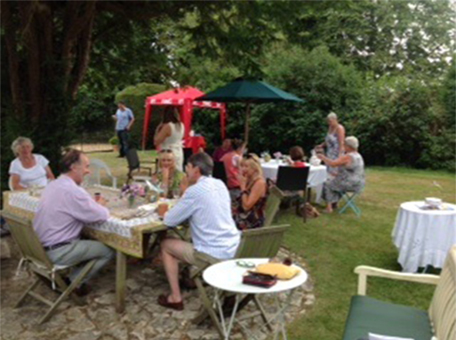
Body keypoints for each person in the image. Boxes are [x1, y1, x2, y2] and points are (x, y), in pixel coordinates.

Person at [158, 152, 240, 310]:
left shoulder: (195, 191)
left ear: (196, 169)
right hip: (234, 246)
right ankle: (190, 278)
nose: (186, 171)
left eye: (188, 167)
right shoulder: (220, 184)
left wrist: (163, 213)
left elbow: (169, 221)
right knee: (190, 236)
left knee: (166, 244)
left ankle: (175, 297)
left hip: (213, 253)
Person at [33, 149, 114, 295]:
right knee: (108, 251)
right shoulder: (72, 191)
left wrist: (91, 206)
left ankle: (74, 274)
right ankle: (73, 281)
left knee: (86, 237)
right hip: (58, 251)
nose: (88, 171)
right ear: (73, 167)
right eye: (86, 166)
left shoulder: (53, 184)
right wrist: (100, 205)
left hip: (38, 248)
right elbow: (101, 215)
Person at [317, 136, 365, 213]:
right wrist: (337, 174)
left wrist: (323, 158)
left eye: (344, 145)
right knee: (335, 182)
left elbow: (333, 164)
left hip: (349, 183)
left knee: (327, 183)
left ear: (348, 146)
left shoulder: (348, 156)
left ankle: (329, 208)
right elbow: (351, 170)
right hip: (359, 184)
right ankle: (335, 203)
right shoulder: (358, 156)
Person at [233, 154, 268, 231]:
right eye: (242, 166)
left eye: (246, 166)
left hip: (252, 220)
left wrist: (242, 187)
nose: (243, 169)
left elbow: (246, 206)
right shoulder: (248, 181)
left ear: (255, 168)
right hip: (243, 216)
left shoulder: (259, 183)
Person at [154, 107, 185, 171]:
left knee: (166, 172)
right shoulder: (181, 125)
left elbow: (156, 141)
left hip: (168, 152)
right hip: (178, 151)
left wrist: (158, 129)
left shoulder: (168, 126)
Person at [316, 112, 345, 176]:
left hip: (336, 152)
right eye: (328, 121)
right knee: (329, 170)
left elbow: (341, 142)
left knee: (335, 170)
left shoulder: (339, 128)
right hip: (329, 152)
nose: (329, 123)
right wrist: (322, 145)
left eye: (330, 121)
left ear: (335, 120)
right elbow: (328, 140)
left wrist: (340, 155)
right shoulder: (330, 127)